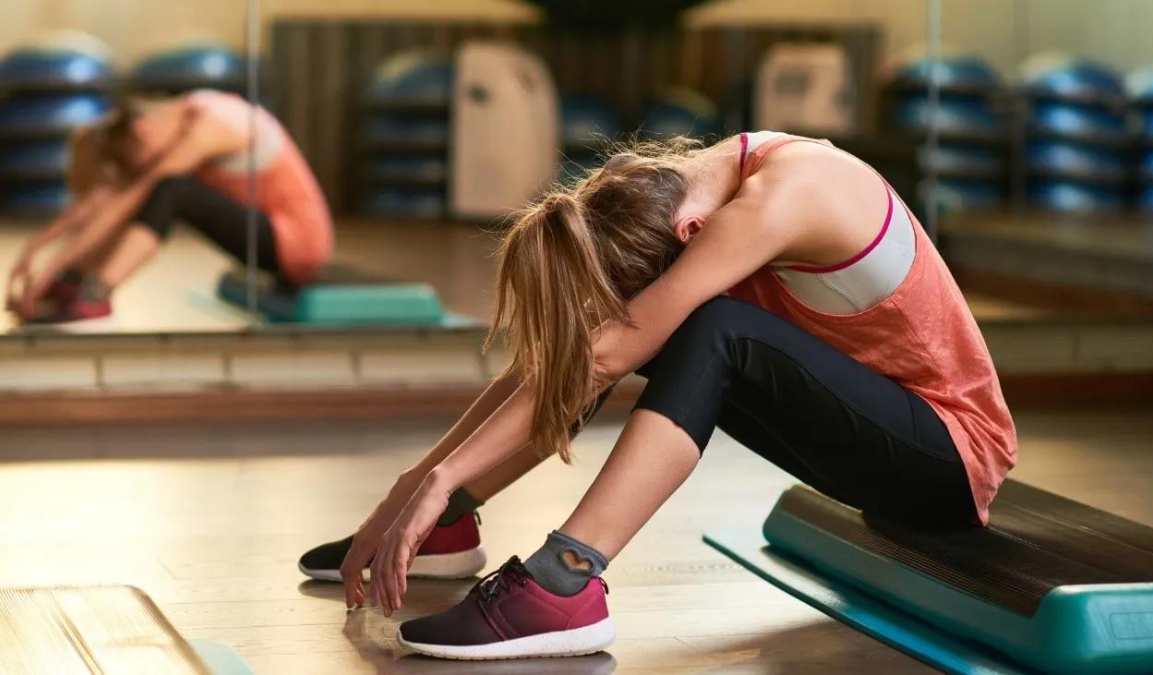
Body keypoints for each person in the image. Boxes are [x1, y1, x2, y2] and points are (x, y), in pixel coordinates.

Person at [298, 132, 1018, 660]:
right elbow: (584, 350)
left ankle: (565, 581)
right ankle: (450, 529)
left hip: (948, 460)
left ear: (691, 233)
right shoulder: (673, 183)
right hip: (877, 443)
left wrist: (441, 474)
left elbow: (613, 349)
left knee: (715, 329)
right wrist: (420, 495)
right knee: (658, 328)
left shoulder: (786, 194)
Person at [5, 90, 332, 325]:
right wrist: (37, 248)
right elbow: (105, 200)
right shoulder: (184, 116)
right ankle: (73, 282)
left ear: (142, 129)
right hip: (265, 236)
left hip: (298, 246)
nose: (143, 168)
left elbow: (127, 200)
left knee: (171, 190)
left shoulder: (211, 125)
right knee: (156, 189)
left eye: (140, 160)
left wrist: (47, 268)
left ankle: (96, 294)